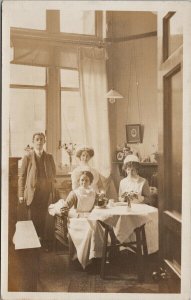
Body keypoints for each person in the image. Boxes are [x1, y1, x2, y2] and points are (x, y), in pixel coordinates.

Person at [18, 132, 56, 248]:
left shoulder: (49, 157)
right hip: (32, 193)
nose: (39, 142)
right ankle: (32, 243)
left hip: (44, 193)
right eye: (37, 139)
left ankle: (41, 241)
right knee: (33, 217)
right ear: (33, 142)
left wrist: (51, 188)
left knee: (43, 217)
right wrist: (21, 194)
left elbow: (53, 174)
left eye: (41, 139)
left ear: (44, 142)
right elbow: (22, 176)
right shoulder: (28, 157)